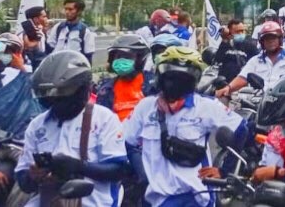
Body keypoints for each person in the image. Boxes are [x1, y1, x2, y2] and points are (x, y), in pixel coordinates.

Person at [124, 47, 246, 207]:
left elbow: (241, 128)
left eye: (183, 79)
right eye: (171, 78)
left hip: (195, 196)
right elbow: (128, 142)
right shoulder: (145, 107)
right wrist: (143, 175)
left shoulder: (205, 106)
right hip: (155, 197)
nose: (176, 84)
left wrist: (224, 171)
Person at [16, 51, 130, 207]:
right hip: (48, 201)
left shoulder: (104, 119)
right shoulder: (37, 126)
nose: (54, 101)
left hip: (94, 202)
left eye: (60, 94)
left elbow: (119, 170)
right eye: (49, 96)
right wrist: (34, 175)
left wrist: (78, 167)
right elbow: (23, 181)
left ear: (81, 89)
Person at [217, 21, 285, 97]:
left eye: (273, 38)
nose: (270, 41)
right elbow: (243, 78)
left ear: (280, 39)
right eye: (266, 38)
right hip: (260, 104)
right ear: (262, 42)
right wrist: (228, 88)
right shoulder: (255, 61)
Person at [96, 34, 153, 122]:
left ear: (139, 59)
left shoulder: (152, 84)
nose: (121, 61)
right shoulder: (105, 89)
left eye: (126, 56)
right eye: (118, 57)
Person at [45, 0, 96, 64]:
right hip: (57, 67)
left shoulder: (85, 31)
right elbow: (49, 48)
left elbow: (88, 55)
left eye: (70, 9)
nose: (67, 12)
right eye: (65, 9)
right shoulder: (58, 27)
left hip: (74, 68)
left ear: (79, 11)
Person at [210, 19, 258, 83]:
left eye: (242, 31)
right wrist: (225, 40)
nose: (241, 33)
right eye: (237, 32)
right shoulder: (225, 44)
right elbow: (218, 60)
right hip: (225, 83)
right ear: (230, 32)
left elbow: (257, 62)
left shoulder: (249, 45)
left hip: (243, 84)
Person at [19, 5, 49, 71]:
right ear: (36, 19)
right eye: (44, 17)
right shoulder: (24, 35)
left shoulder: (41, 33)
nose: (46, 19)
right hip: (28, 69)